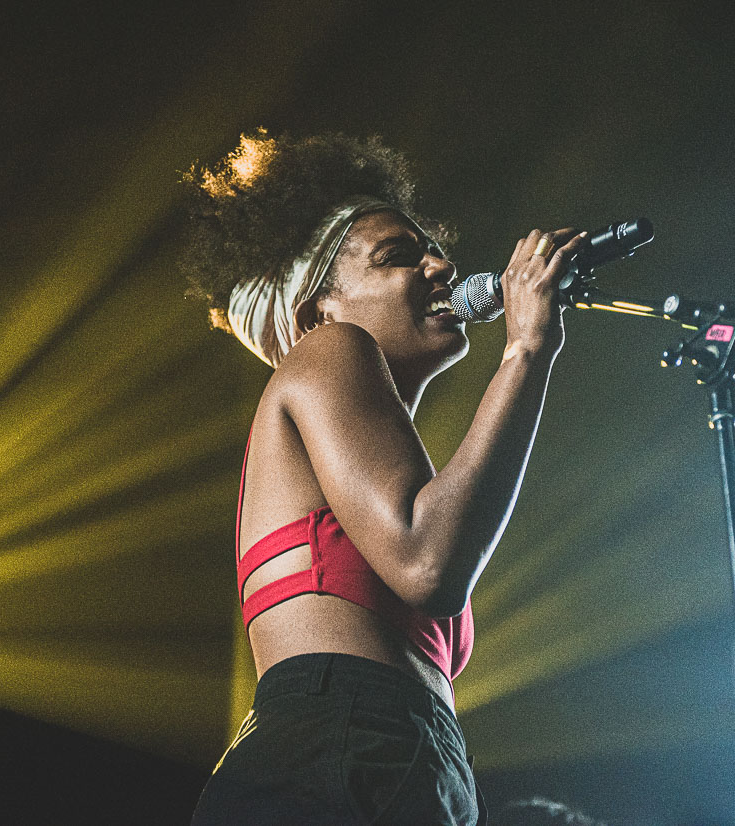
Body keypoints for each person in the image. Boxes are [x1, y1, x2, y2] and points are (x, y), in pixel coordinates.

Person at [182, 130, 584, 826]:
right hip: (342, 744)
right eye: (399, 257)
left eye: (431, 249)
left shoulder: (367, 461)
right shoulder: (327, 351)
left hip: (388, 751)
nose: (442, 265)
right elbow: (428, 560)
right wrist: (524, 350)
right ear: (319, 314)